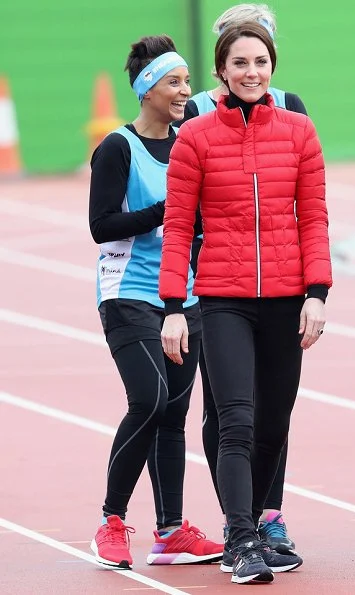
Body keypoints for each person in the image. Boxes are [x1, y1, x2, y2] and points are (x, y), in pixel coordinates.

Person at [159, 22, 332, 585]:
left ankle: (254, 527)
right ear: (221, 72)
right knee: (236, 419)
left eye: (260, 62)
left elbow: (315, 219)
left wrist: (317, 294)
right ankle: (240, 539)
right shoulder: (196, 137)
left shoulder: (301, 133)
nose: (251, 72)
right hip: (223, 299)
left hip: (287, 301)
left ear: (273, 67)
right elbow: (179, 227)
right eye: (240, 63)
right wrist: (173, 306)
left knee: (274, 423)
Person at [88, 34, 223, 570]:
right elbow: (102, 226)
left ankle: (170, 532)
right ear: (147, 90)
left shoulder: (190, 141)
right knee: (147, 399)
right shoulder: (118, 147)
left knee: (173, 416)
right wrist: (167, 211)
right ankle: (111, 520)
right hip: (127, 292)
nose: (185, 91)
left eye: (188, 81)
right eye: (175, 82)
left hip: (184, 295)